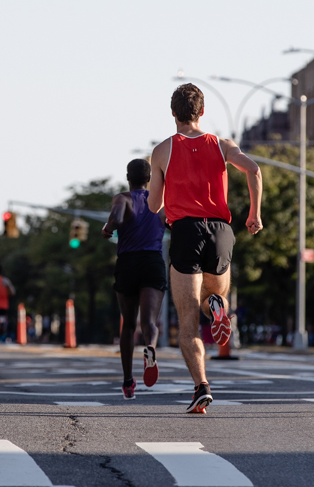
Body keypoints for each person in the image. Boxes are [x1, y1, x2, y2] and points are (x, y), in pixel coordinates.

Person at [148, 83, 263, 413]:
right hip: (221, 230)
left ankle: (201, 386)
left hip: (185, 230)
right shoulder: (223, 145)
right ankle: (217, 305)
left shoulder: (162, 151)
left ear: (173, 114)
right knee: (216, 294)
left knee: (187, 322)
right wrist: (254, 214)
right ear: (202, 112)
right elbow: (254, 170)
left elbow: (155, 205)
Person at [102, 159, 167, 400]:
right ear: (149, 178)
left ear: (128, 177)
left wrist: (108, 229)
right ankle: (150, 348)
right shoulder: (160, 202)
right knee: (149, 322)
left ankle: (128, 382)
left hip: (128, 263)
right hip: (152, 262)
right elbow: (173, 224)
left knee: (128, 325)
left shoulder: (123, 198)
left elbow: (117, 218)